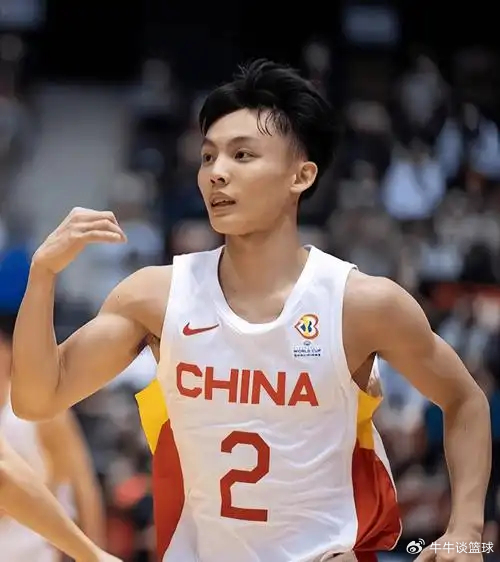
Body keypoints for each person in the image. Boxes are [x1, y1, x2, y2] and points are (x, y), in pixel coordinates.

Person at [11, 60, 490, 562]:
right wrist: (42, 275)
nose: (216, 172)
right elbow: (37, 399)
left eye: (242, 155)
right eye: (207, 156)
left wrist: (466, 530)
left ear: (301, 176)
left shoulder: (362, 304)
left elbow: (466, 402)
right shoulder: (155, 296)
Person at [0, 312, 106, 561]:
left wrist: (95, 549)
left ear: (8, 353)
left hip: (33, 549)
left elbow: (82, 484)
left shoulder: (37, 410)